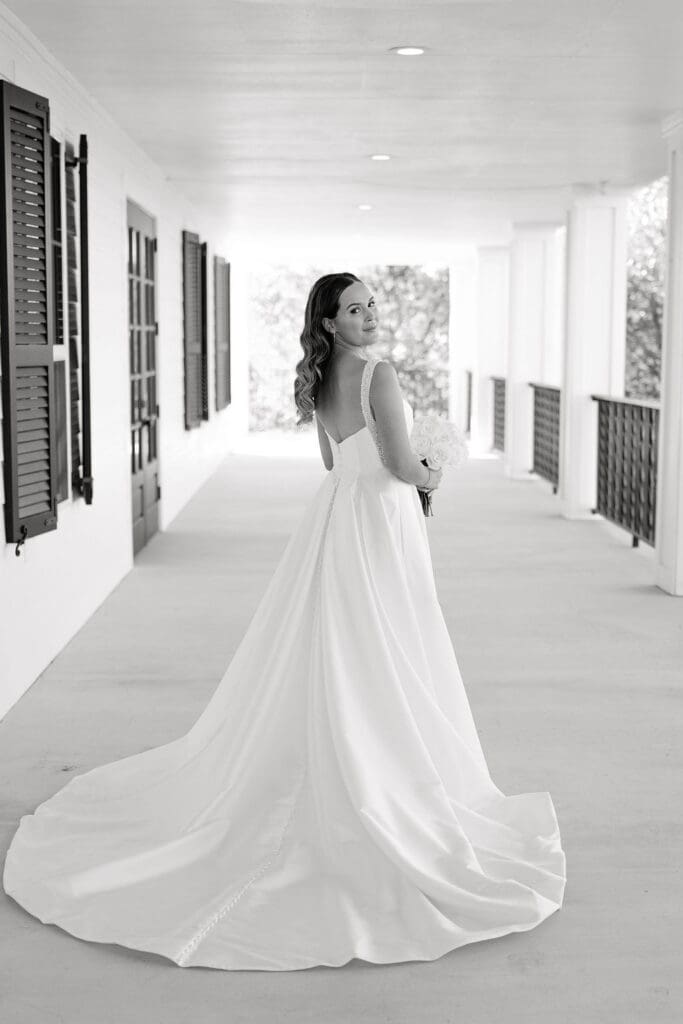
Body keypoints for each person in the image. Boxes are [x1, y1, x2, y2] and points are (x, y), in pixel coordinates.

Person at [3, 272, 566, 972]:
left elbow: (334, 462)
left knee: (343, 646)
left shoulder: (324, 377)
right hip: (380, 522)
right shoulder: (378, 373)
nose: (369, 316)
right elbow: (394, 462)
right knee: (384, 645)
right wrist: (433, 473)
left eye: (371, 306)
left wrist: (405, 468)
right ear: (328, 322)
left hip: (338, 521)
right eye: (354, 309)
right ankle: (378, 775)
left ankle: (343, 757)